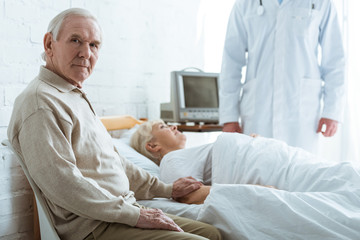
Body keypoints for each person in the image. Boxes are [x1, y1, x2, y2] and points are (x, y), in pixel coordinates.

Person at [7, 8, 222, 240]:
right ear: (49, 44)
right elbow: (64, 184)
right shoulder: (40, 103)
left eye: (94, 45)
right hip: (94, 227)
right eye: (76, 40)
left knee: (213, 233)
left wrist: (166, 189)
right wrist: (135, 216)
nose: (85, 53)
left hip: (121, 214)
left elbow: (114, 162)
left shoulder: (72, 94)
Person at [130, 119, 360, 204]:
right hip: (265, 167)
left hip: (273, 156)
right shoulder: (171, 161)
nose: (174, 126)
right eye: (163, 127)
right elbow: (190, 194)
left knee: (337, 174)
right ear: (153, 146)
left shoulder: (188, 153)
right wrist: (253, 190)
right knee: (338, 179)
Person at [219, 0, 346, 153]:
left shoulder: (321, 3)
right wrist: (229, 117)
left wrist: (332, 111)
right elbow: (231, 62)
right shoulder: (245, 4)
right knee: (258, 170)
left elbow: (334, 60)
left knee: (302, 171)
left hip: (302, 114)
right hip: (258, 111)